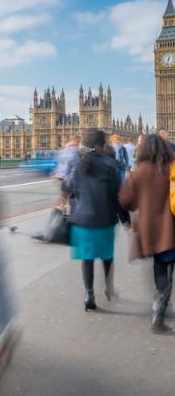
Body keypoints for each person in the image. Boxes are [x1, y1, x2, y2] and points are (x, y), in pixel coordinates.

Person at [119, 134, 175, 333]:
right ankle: (161, 305)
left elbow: (125, 200)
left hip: (152, 231)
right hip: (172, 227)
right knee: (170, 268)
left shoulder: (139, 172)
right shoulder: (172, 167)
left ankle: (159, 308)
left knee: (160, 266)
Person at [69, 131, 127, 311]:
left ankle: (89, 293)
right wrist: (125, 218)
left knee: (87, 258)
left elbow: (72, 190)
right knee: (106, 255)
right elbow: (117, 194)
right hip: (104, 217)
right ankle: (108, 288)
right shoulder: (110, 164)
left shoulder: (80, 164)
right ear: (101, 145)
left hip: (82, 220)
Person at [54, 135, 81, 209]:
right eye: (78, 142)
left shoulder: (64, 149)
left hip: (62, 176)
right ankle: (65, 211)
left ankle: (62, 209)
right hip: (69, 178)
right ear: (76, 141)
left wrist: (57, 173)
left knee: (64, 195)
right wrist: (69, 178)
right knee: (71, 196)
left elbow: (60, 162)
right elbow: (75, 166)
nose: (79, 143)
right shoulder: (74, 150)